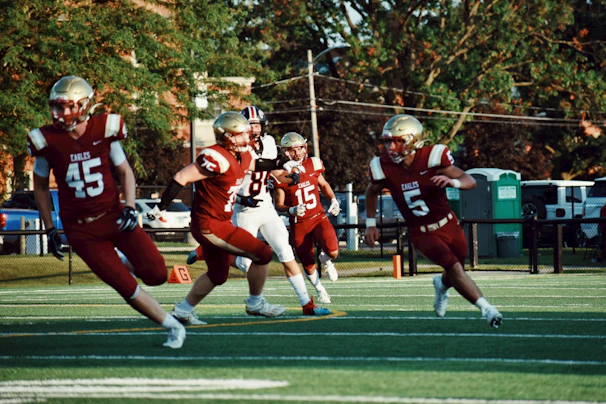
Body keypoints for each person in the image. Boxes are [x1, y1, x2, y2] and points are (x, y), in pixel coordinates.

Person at [27, 75, 186, 348]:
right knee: (125, 286)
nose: (62, 113)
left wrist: (130, 206)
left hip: (115, 217)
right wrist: (50, 228)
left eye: (68, 106)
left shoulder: (105, 129)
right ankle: (173, 327)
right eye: (58, 106)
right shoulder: (46, 140)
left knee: (158, 274)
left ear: (85, 105)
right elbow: (40, 187)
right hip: (81, 230)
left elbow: (125, 171)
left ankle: (123, 259)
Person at [186, 107, 331, 316]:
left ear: (263, 126)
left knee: (286, 252)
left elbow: (275, 173)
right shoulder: (236, 148)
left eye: (256, 124)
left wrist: (291, 178)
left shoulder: (270, 143)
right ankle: (212, 252)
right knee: (246, 263)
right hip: (243, 209)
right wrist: (240, 197)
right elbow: (223, 184)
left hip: (265, 206)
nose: (253, 129)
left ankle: (308, 304)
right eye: (249, 124)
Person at [148, 111, 288, 325]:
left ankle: (182, 311)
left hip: (219, 222)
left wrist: (280, 162)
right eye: (241, 134)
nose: (247, 137)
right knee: (263, 253)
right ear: (227, 136)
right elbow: (181, 177)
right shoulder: (216, 157)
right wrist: (161, 207)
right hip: (210, 224)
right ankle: (255, 303)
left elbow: (257, 165)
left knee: (218, 274)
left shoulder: (243, 155)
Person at [363, 114, 503, 328]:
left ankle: (441, 285)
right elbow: (371, 191)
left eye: (398, 141)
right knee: (454, 267)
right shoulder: (382, 166)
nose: (391, 146)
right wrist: (370, 224)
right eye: (388, 141)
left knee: (455, 270)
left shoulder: (432, 157)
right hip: (421, 232)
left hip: (449, 224)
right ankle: (487, 309)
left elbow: (470, 180)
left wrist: (452, 182)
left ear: (412, 140)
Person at [273, 132, 341, 303]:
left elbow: (324, 185)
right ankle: (320, 290)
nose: (297, 153)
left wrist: (333, 200)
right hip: (299, 223)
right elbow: (279, 205)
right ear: (285, 152)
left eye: (300, 148)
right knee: (307, 263)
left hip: (318, 217)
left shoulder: (313, 164)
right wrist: (291, 210)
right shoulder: (280, 175)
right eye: (292, 150)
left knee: (333, 251)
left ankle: (325, 260)